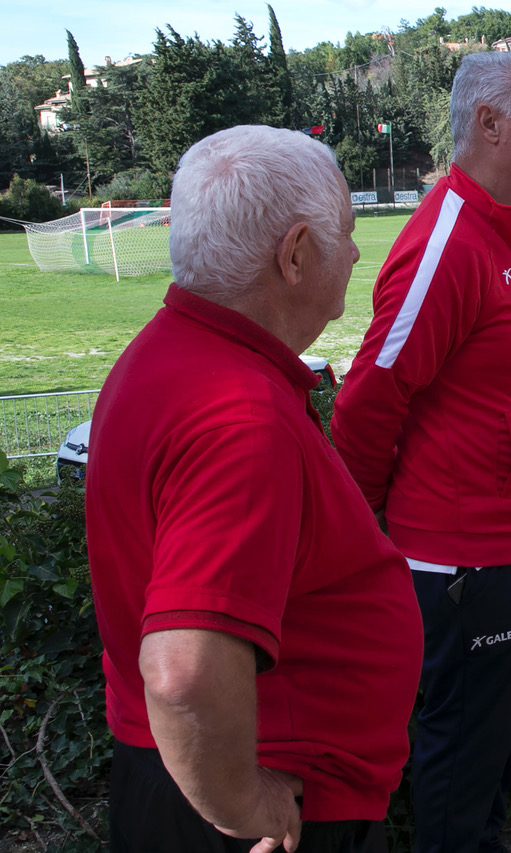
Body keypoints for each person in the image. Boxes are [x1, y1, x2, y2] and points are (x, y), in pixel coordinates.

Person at [86, 125, 422, 852]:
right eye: (349, 232)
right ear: (295, 254)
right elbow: (184, 673)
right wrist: (242, 806)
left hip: (182, 777)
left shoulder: (169, 353)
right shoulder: (240, 415)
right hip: (260, 804)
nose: (359, 253)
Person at [330, 52, 511, 853]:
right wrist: (366, 522)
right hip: (466, 556)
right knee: (464, 753)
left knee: (498, 745)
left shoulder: (504, 228)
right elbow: (371, 395)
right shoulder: (448, 239)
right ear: (490, 123)